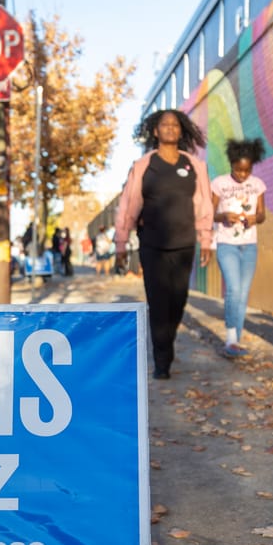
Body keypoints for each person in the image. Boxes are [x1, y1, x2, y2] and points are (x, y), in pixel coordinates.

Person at [114, 109, 214, 379]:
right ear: (155, 131)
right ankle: (162, 360)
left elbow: (205, 203)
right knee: (158, 303)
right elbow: (128, 205)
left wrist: (206, 238)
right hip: (152, 244)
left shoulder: (194, 165)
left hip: (184, 244)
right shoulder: (143, 165)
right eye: (164, 125)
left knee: (178, 301)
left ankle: (165, 344)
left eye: (174, 124)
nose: (170, 128)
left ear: (181, 130)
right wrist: (121, 243)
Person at [211, 137, 267, 358]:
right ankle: (231, 339)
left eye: (247, 170)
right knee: (233, 289)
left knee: (243, 294)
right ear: (231, 164)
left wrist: (255, 218)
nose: (242, 175)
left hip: (249, 245)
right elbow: (210, 213)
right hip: (227, 244)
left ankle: (236, 340)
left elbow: (262, 214)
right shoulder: (219, 183)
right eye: (238, 170)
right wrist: (224, 215)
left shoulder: (258, 184)